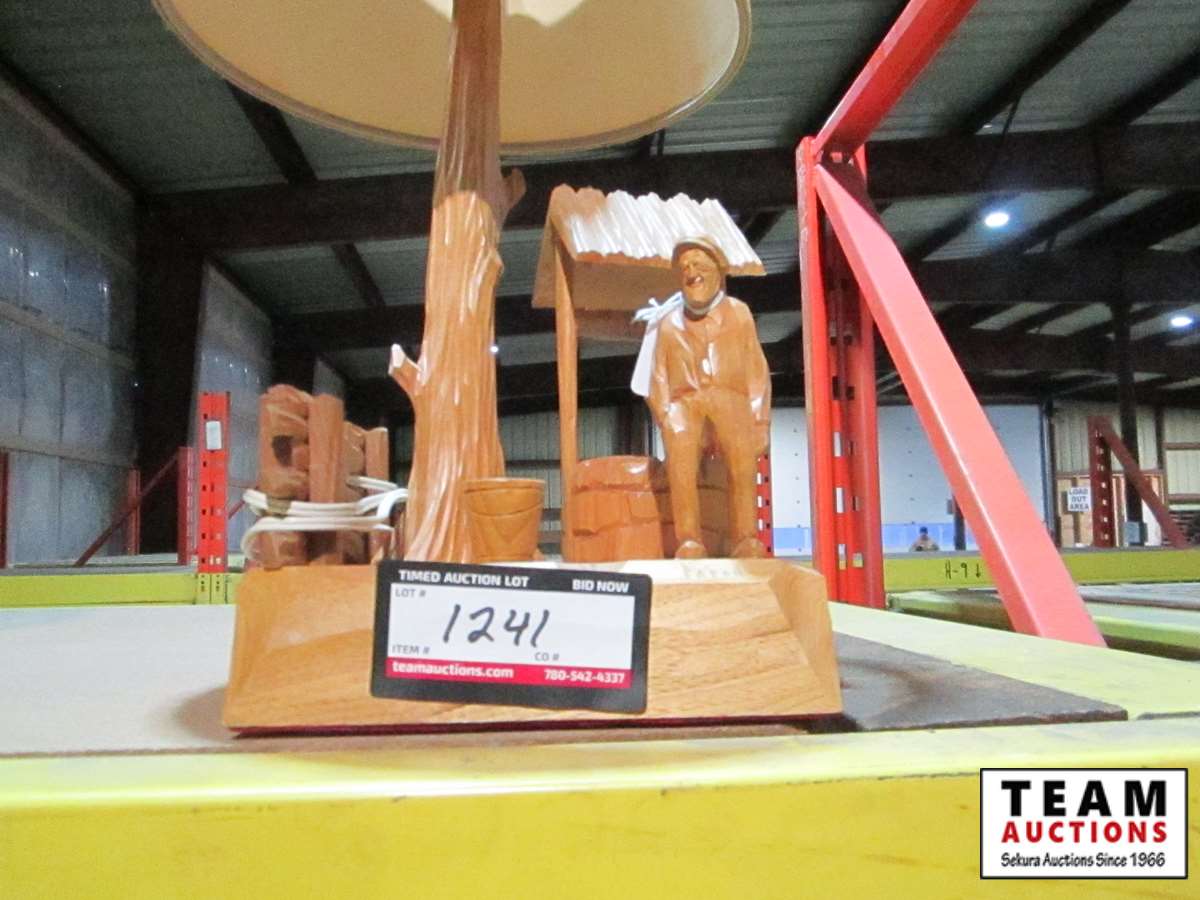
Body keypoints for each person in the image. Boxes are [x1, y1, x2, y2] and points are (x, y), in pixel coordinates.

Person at [640, 237, 771, 559]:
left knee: (742, 465)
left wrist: (759, 419)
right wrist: (665, 414)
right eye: (684, 267)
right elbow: (657, 375)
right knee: (681, 467)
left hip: (731, 399)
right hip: (684, 404)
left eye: (698, 264)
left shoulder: (739, 313)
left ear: (718, 269)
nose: (691, 272)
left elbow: (757, 368)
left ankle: (745, 538)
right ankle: (689, 540)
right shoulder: (668, 323)